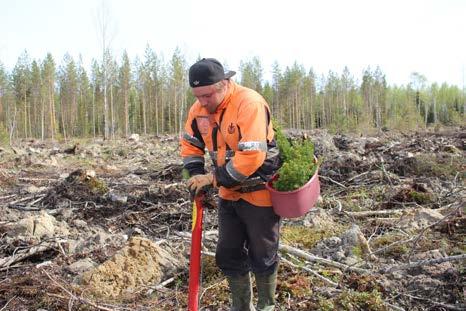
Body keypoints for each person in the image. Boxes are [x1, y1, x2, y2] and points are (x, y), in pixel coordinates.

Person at [180, 58, 282, 311]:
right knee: (229, 254)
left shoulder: (250, 103)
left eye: (207, 95)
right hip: (229, 193)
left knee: (263, 254)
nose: (202, 102)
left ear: (224, 83)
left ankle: (266, 306)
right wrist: (195, 174)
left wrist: (212, 179)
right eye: (197, 96)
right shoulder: (199, 110)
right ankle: (240, 307)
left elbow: (252, 156)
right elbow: (191, 145)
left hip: (260, 191)